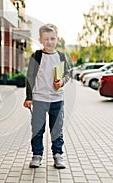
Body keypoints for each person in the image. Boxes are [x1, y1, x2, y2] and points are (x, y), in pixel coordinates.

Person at [23, 23, 70, 169]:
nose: (49, 41)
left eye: (52, 38)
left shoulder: (61, 57)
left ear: (57, 39)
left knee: (57, 129)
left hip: (57, 99)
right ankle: (37, 155)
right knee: (37, 129)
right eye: (46, 39)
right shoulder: (36, 56)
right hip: (39, 99)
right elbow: (30, 77)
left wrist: (62, 81)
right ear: (41, 40)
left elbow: (68, 74)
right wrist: (28, 97)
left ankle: (58, 155)